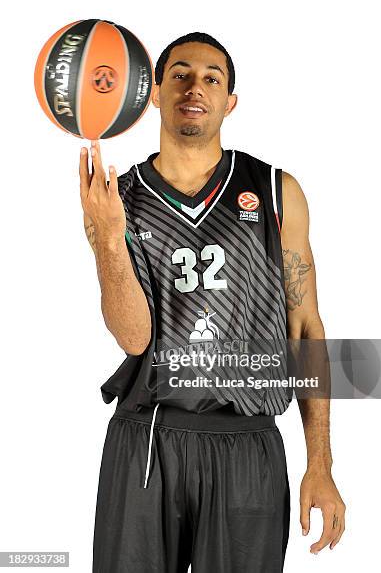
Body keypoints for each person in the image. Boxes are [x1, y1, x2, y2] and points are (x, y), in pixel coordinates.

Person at [80, 32, 346, 572]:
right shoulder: (118, 199)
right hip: (149, 438)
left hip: (246, 442)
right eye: (179, 74)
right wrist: (109, 239)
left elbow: (307, 327)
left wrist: (320, 462)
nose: (194, 87)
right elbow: (134, 337)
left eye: (211, 78)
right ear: (152, 92)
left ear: (230, 101)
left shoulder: (275, 191)